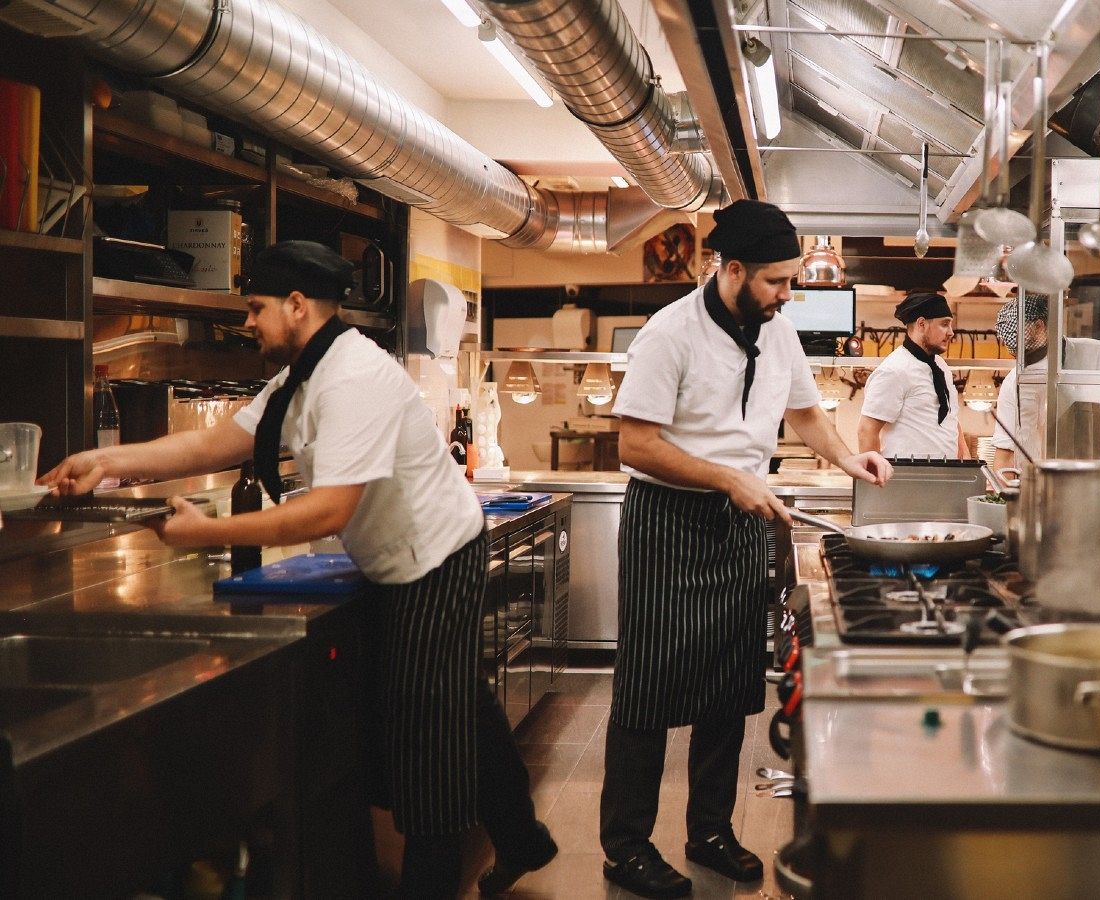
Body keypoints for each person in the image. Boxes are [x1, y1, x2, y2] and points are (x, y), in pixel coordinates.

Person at [37, 241, 555, 899]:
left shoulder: (354, 379)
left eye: (255, 309)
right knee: (462, 704)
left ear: (297, 305)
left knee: (425, 741)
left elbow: (326, 513)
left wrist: (205, 532)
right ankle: (525, 839)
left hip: (437, 557)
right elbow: (212, 441)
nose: (248, 323)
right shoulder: (302, 378)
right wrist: (105, 461)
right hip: (392, 558)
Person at [602, 200, 892, 899]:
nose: (787, 296)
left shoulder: (779, 331)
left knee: (729, 687)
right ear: (732, 271)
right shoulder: (668, 334)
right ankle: (626, 847)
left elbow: (804, 414)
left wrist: (849, 460)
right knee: (647, 687)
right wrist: (729, 477)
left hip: (739, 521)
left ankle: (709, 831)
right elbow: (634, 444)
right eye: (776, 282)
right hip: (667, 521)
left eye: (791, 282)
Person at [990, 293, 1100, 469]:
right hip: (1040, 485)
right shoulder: (1014, 381)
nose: (1013, 349)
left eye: (1017, 339)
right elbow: (1005, 457)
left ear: (1040, 326)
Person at [858, 291, 964, 458]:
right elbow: (867, 430)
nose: (951, 332)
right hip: (906, 478)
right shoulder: (894, 370)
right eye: (945, 324)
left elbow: (951, 419)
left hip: (945, 476)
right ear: (921, 324)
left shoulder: (940, 366)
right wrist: (874, 478)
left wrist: (965, 462)